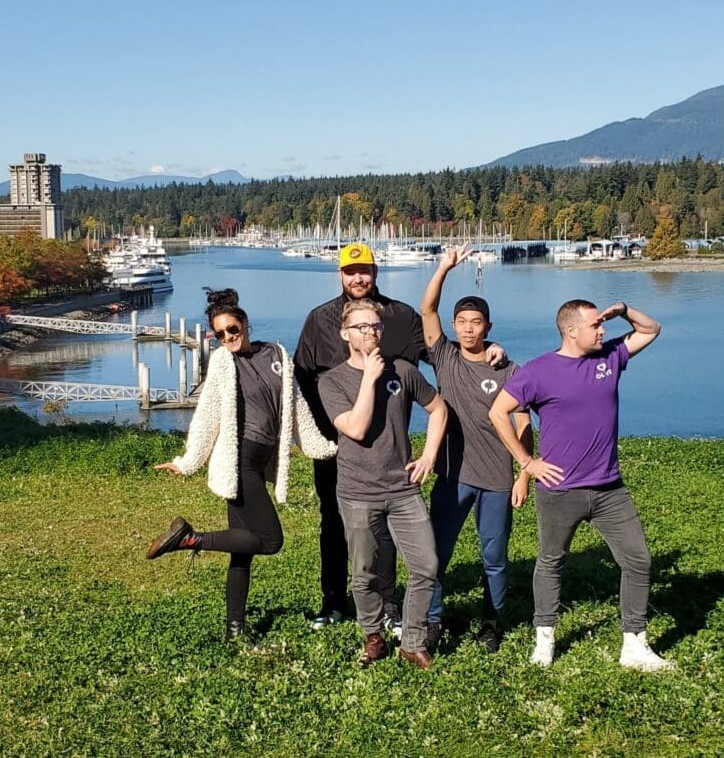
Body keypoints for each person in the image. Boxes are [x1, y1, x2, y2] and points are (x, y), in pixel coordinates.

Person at [294, 242, 504, 632]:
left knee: (386, 529)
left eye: (366, 270)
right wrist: (315, 434)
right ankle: (333, 601)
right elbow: (302, 379)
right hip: (334, 443)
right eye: (350, 271)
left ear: (376, 272)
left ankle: (390, 606)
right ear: (340, 274)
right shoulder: (319, 319)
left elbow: (443, 356)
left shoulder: (400, 317)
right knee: (334, 523)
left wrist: (486, 349)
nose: (358, 278)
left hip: (389, 450)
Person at [488, 298, 674, 672]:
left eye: (602, 325)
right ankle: (545, 640)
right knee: (552, 561)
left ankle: (634, 645)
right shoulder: (539, 371)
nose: (602, 330)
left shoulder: (609, 357)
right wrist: (527, 463)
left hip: (610, 489)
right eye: (595, 326)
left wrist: (622, 309)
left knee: (638, 560)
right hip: (560, 490)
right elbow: (497, 411)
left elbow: (651, 330)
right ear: (571, 331)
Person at [146, 289, 336, 641]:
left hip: (261, 458)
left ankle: (235, 629)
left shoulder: (276, 354)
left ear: (244, 324)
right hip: (240, 461)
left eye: (232, 330)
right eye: (219, 335)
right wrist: (188, 461)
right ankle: (190, 539)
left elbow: (296, 408)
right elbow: (208, 416)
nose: (228, 338)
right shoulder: (222, 362)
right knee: (271, 539)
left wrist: (323, 446)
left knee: (241, 550)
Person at [316, 298, 449, 668]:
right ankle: (373, 635)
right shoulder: (331, 381)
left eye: (376, 326)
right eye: (362, 327)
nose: (371, 332)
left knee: (426, 566)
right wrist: (371, 380)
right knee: (365, 573)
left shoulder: (404, 371)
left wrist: (428, 456)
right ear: (346, 334)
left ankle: (412, 640)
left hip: (403, 489)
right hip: (358, 492)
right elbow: (356, 428)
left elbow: (438, 409)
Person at [419, 243, 532, 653]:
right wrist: (443, 268)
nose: (468, 329)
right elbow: (427, 312)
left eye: (476, 323)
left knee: (495, 558)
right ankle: (433, 620)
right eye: (462, 322)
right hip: (453, 476)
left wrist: (523, 474)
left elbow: (523, 421)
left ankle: (492, 621)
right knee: (436, 554)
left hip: (498, 479)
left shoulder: (507, 368)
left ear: (488, 326)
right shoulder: (445, 358)